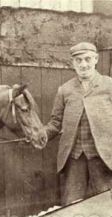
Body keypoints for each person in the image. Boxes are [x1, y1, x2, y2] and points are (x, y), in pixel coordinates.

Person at [39, 42, 112, 206]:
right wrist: (42, 133)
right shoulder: (65, 90)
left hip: (104, 158)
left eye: (87, 59)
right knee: (71, 206)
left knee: (106, 206)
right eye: (78, 60)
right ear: (73, 63)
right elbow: (55, 122)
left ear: (96, 59)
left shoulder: (109, 86)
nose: (83, 64)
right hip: (74, 159)